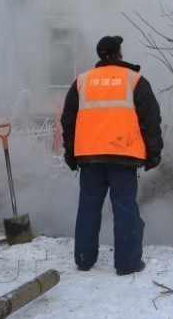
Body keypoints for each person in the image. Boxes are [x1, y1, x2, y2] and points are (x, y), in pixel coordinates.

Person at [61, 35, 163, 275]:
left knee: (88, 207)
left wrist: (70, 154)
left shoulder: (82, 82)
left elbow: (68, 122)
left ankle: (84, 260)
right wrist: (153, 154)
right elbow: (151, 120)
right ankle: (127, 264)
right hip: (123, 156)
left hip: (89, 158)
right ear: (119, 54)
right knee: (125, 208)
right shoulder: (135, 80)